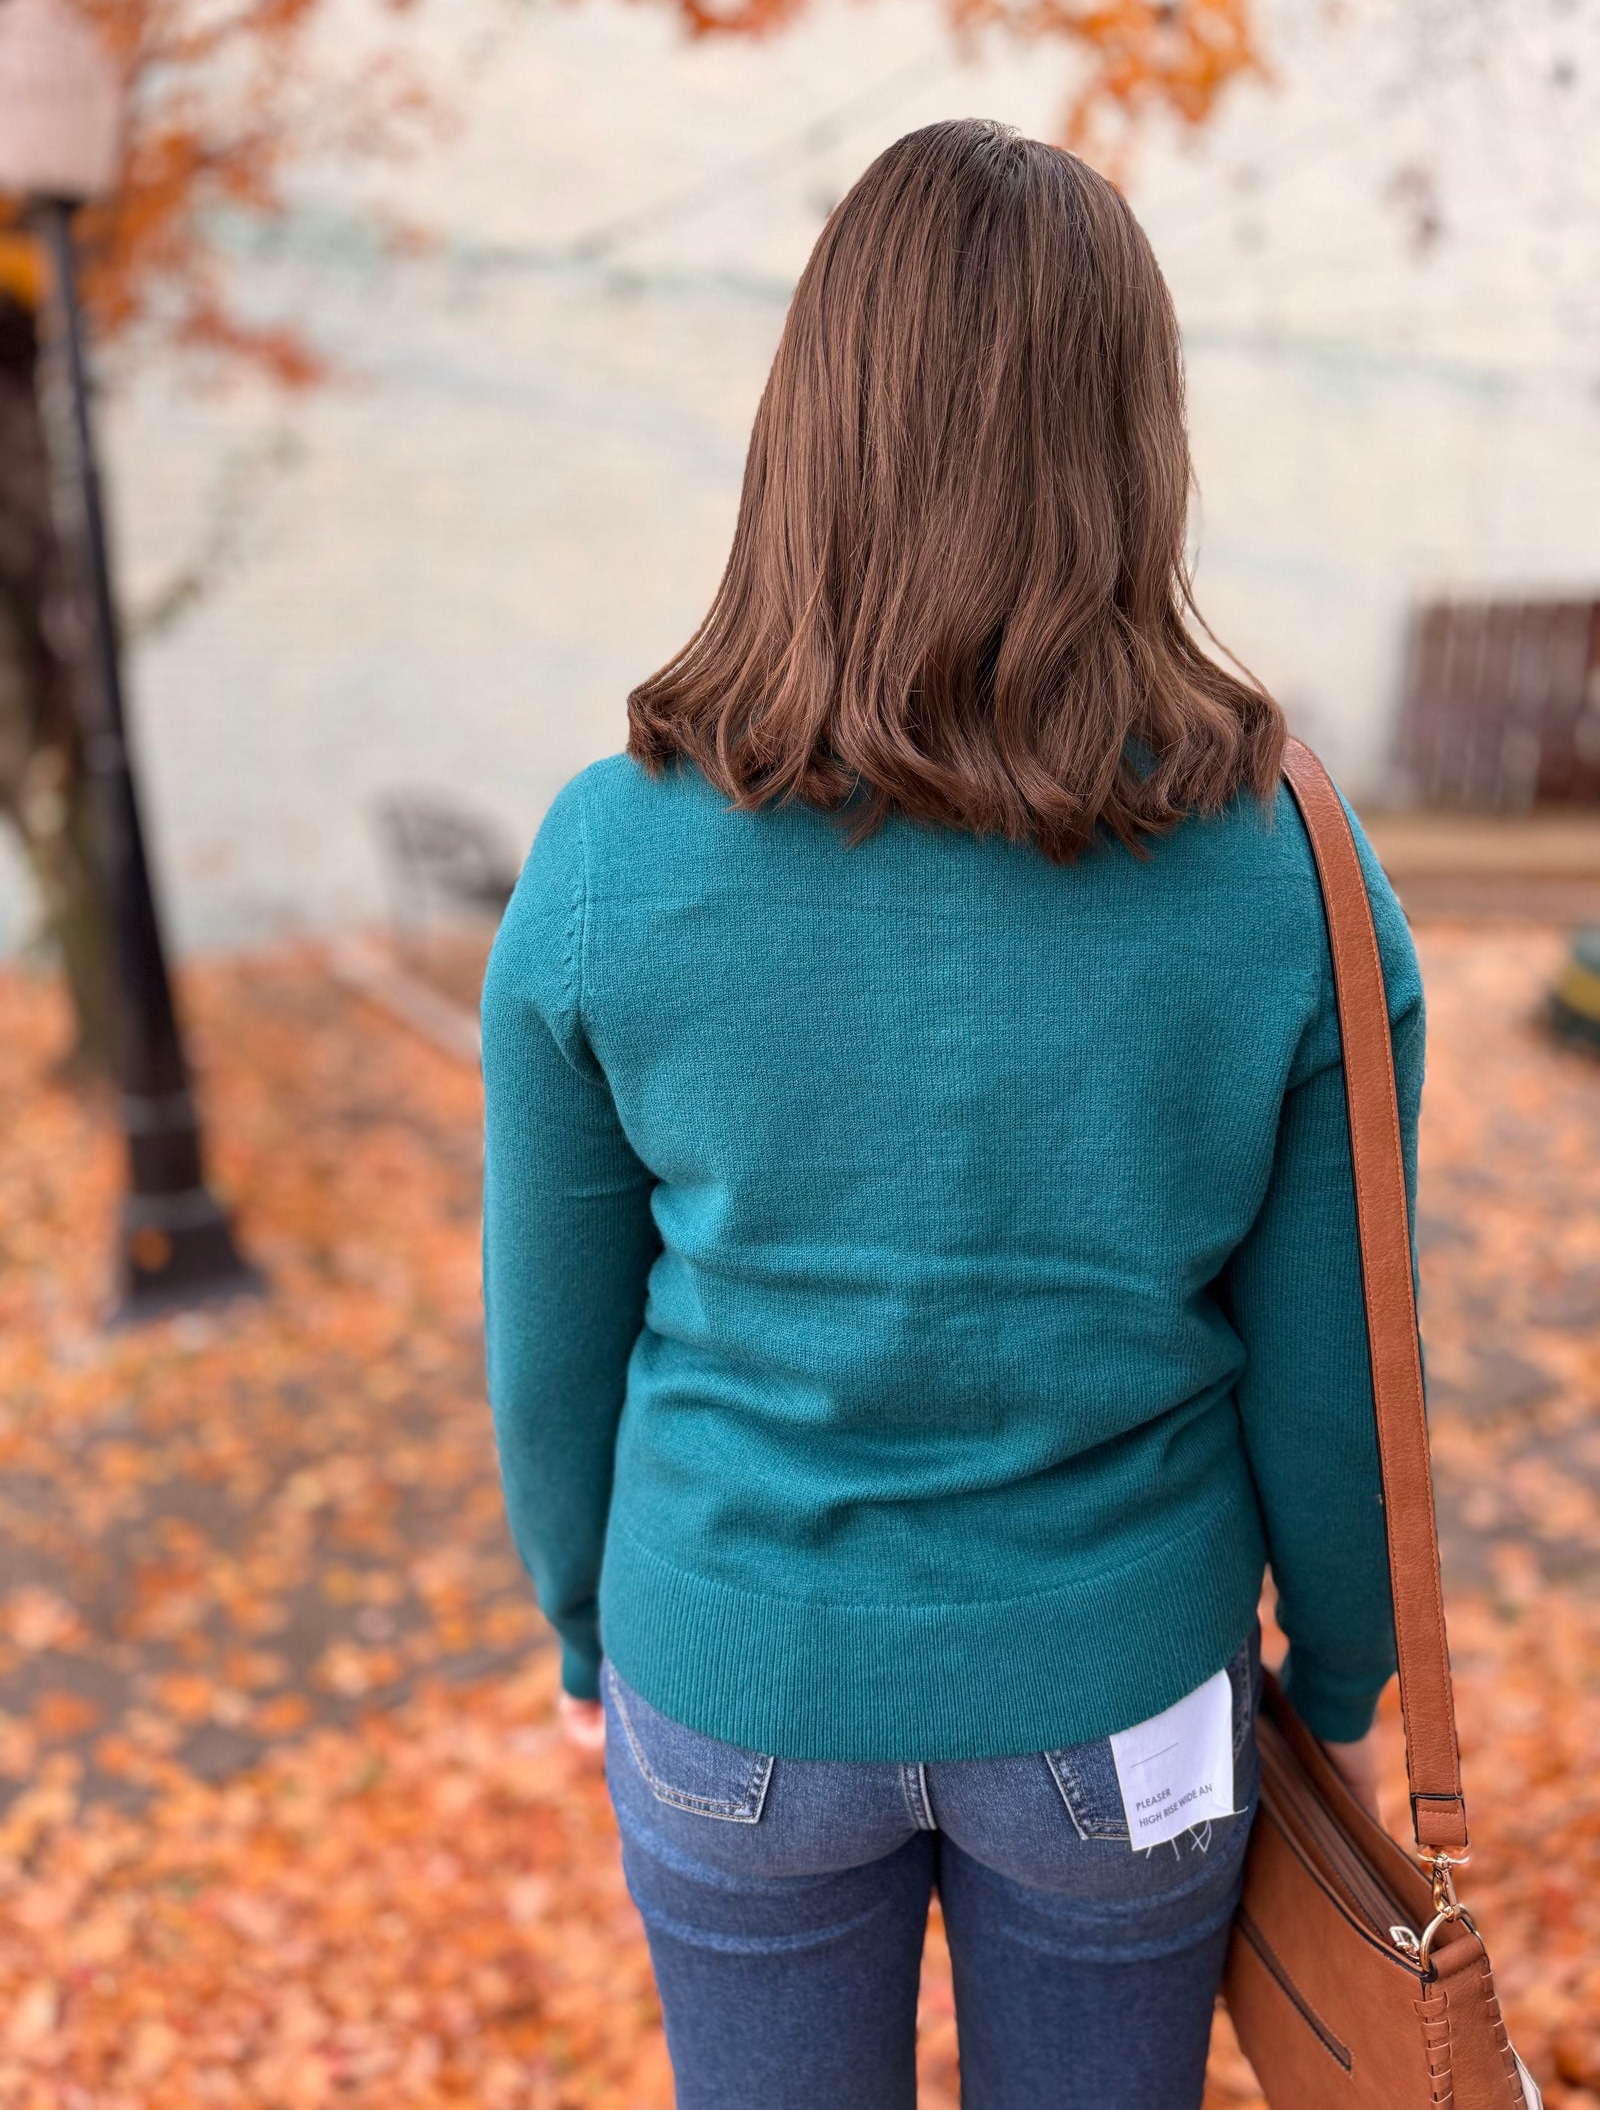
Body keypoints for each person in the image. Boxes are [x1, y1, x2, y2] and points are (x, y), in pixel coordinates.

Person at [480, 118, 1420, 2110]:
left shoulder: (597, 862)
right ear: (1127, 444)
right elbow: (1334, 1375)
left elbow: (550, 1349)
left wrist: (580, 1627)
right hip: (1121, 1700)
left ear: (809, 430)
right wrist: (1331, 1677)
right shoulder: (1288, 877)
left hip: (728, 1683)